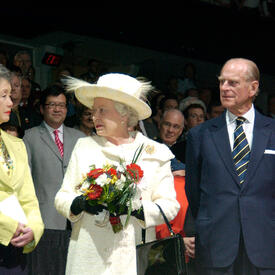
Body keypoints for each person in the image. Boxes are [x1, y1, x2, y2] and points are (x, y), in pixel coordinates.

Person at [54, 73, 180, 274]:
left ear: (124, 114)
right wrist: (79, 203)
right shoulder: (84, 146)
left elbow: (171, 206)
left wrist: (137, 209)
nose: (95, 117)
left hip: (131, 258)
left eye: (102, 110)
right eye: (94, 111)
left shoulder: (155, 152)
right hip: (88, 258)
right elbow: (62, 196)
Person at [185, 58, 275, 275]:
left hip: (265, 244)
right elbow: (194, 191)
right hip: (215, 244)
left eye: (232, 83)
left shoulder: (273, 131)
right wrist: (194, 229)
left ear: (253, 88)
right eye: (222, 82)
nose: (224, 88)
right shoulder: (200, 134)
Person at [23, 84, 85, 275]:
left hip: (75, 221)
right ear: (42, 109)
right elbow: (25, 181)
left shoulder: (80, 138)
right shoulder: (30, 137)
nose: (57, 109)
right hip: (44, 220)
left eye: (62, 105)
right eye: (51, 105)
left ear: (67, 109)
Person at [0, 64, 44, 274]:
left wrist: (33, 229)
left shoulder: (16, 145)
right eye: (4, 95)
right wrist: (9, 225)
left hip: (14, 251)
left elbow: (29, 198)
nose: (11, 102)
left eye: (11, 95)